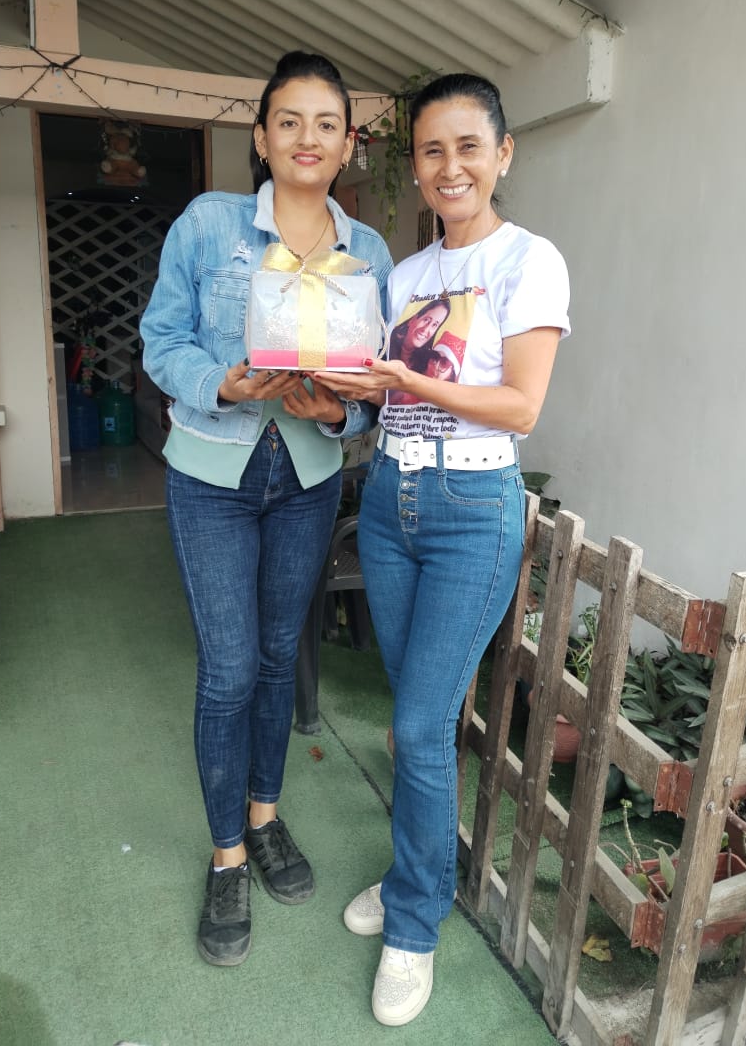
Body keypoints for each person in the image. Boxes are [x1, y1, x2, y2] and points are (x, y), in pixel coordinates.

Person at [313, 72, 570, 1025]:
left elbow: (521, 406)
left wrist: (405, 380)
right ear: (416, 167)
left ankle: (415, 924)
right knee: (411, 721)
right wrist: (340, 394)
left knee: (422, 729)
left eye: (468, 147)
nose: (450, 166)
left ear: (503, 154)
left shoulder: (530, 261)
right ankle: (412, 873)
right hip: (391, 501)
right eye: (431, 150)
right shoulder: (405, 276)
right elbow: (384, 392)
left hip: (471, 510)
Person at [140, 51, 393, 968]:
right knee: (228, 670)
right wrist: (223, 382)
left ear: (347, 143)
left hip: (309, 477)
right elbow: (161, 339)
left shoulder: (368, 254)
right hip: (213, 472)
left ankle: (265, 813)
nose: (307, 139)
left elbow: (376, 383)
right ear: (261, 135)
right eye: (289, 121)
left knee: (281, 656)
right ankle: (227, 857)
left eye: (325, 124)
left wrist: (340, 412)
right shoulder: (210, 225)